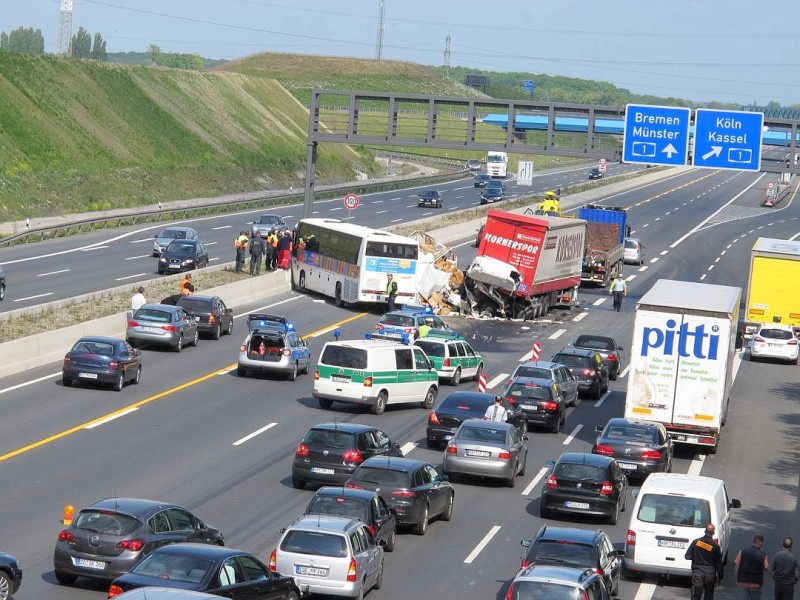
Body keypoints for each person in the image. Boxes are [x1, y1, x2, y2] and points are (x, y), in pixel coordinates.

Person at [686, 523, 724, 600]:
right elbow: (718, 564)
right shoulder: (715, 546)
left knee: (696, 595)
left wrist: (696, 557)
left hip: (697, 572)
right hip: (710, 575)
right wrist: (720, 577)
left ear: (705, 531)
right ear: (713, 533)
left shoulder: (696, 542)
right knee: (709, 596)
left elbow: (687, 556)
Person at [735, 533, 769, 599]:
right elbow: (766, 567)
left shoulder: (743, 551)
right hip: (755, 583)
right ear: (761, 543)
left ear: (753, 541)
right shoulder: (763, 555)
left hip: (742, 581)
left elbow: (737, 565)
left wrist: (737, 578)